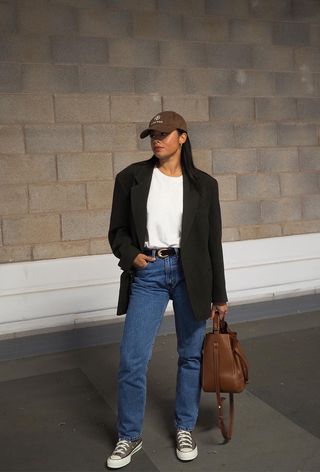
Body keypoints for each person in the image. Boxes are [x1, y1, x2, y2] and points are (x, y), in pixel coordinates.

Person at [106, 111, 228, 469]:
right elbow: (117, 232)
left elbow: (212, 243)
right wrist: (133, 257)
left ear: (182, 137)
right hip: (150, 273)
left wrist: (219, 296)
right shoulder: (131, 178)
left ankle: (185, 426)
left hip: (193, 275)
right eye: (152, 135)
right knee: (132, 360)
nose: (156, 140)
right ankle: (129, 436)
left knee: (191, 356)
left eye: (164, 134)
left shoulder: (205, 185)